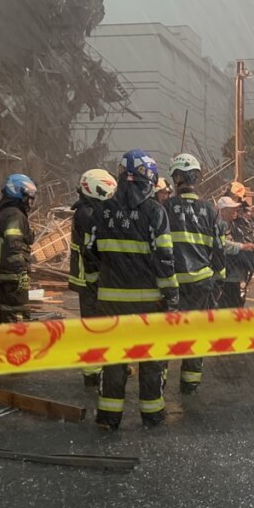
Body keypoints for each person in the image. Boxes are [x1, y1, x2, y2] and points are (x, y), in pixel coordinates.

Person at [86, 149, 178, 430]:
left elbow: (90, 255)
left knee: (113, 359)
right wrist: (170, 295)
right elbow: (164, 258)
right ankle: (152, 415)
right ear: (148, 179)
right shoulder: (154, 212)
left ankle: (108, 418)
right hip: (148, 304)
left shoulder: (101, 211)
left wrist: (95, 286)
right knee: (150, 360)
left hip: (110, 302)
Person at [164, 153, 224, 395]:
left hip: (172, 285)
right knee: (195, 335)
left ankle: (160, 381)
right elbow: (218, 250)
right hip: (201, 283)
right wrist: (218, 279)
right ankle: (190, 385)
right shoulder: (209, 210)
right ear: (196, 177)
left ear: (177, 178)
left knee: (165, 334)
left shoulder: (165, 208)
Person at [69, 168, 117, 388]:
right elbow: (94, 250)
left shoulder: (86, 210)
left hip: (88, 276)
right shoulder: (87, 214)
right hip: (89, 278)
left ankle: (97, 368)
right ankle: (93, 373)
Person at [0, 174, 36, 324]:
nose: (31, 202)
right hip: (10, 278)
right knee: (16, 320)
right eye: (29, 197)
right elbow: (15, 245)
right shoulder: (15, 215)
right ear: (19, 193)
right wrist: (21, 273)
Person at [217, 196, 254, 308]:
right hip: (223, 277)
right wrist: (242, 246)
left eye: (235, 209)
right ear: (223, 211)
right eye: (231, 209)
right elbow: (222, 244)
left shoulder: (237, 226)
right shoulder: (218, 226)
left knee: (236, 305)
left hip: (235, 275)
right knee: (225, 307)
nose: (235, 211)